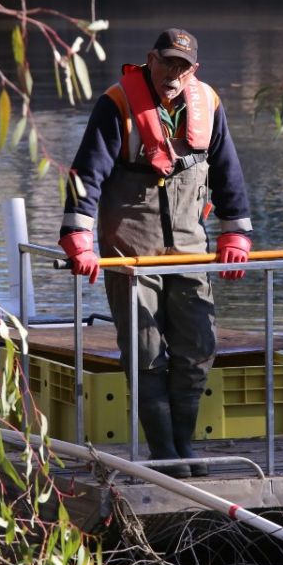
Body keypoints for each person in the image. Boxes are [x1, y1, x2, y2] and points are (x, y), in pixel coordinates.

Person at [59, 28, 252, 478]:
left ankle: (184, 445)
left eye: (182, 67)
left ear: (193, 71)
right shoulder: (117, 103)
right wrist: (79, 240)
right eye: (166, 63)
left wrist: (235, 234)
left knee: (198, 346)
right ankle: (163, 452)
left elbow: (227, 172)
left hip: (189, 245)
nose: (173, 74)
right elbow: (86, 174)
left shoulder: (209, 103)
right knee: (145, 351)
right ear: (150, 59)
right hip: (130, 247)